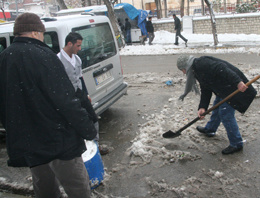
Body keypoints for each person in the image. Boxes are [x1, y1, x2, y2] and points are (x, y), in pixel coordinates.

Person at [0, 13, 97, 198]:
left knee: (44, 187)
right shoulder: (44, 56)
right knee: (78, 188)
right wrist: (88, 129)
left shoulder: (4, 58)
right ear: (36, 32)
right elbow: (66, 101)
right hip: (58, 140)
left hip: (30, 142)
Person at [176, 55, 257, 155]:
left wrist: (238, 82)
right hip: (223, 89)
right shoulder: (196, 70)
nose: (184, 73)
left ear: (186, 66)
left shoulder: (202, 64)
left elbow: (222, 69)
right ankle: (210, 129)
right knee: (218, 107)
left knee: (226, 114)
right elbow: (206, 88)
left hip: (233, 87)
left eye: (182, 70)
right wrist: (203, 107)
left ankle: (236, 143)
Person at [57, 32, 109, 155]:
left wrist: (86, 94)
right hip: (67, 97)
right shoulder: (58, 59)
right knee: (74, 122)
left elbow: (80, 77)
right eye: (78, 46)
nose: (80, 49)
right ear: (70, 44)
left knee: (93, 118)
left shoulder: (77, 58)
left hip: (79, 93)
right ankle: (78, 149)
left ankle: (95, 144)